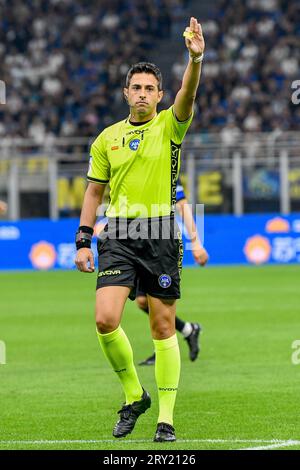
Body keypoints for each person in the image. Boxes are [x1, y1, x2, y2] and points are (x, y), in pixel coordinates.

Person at [75, 17, 205, 443]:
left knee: (163, 327)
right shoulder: (106, 139)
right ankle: (135, 395)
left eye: (151, 88)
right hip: (118, 237)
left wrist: (195, 58)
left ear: (160, 95)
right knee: (105, 318)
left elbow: (188, 93)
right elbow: (94, 193)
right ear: (127, 92)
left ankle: (165, 419)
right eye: (138, 87)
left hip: (162, 234)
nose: (144, 93)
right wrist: (83, 239)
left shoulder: (171, 124)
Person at [138, 177, 209, 366]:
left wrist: (196, 243)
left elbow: (182, 205)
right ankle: (188, 330)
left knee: (159, 300)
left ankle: (162, 350)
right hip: (136, 242)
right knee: (142, 301)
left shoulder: (166, 167)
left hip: (162, 244)